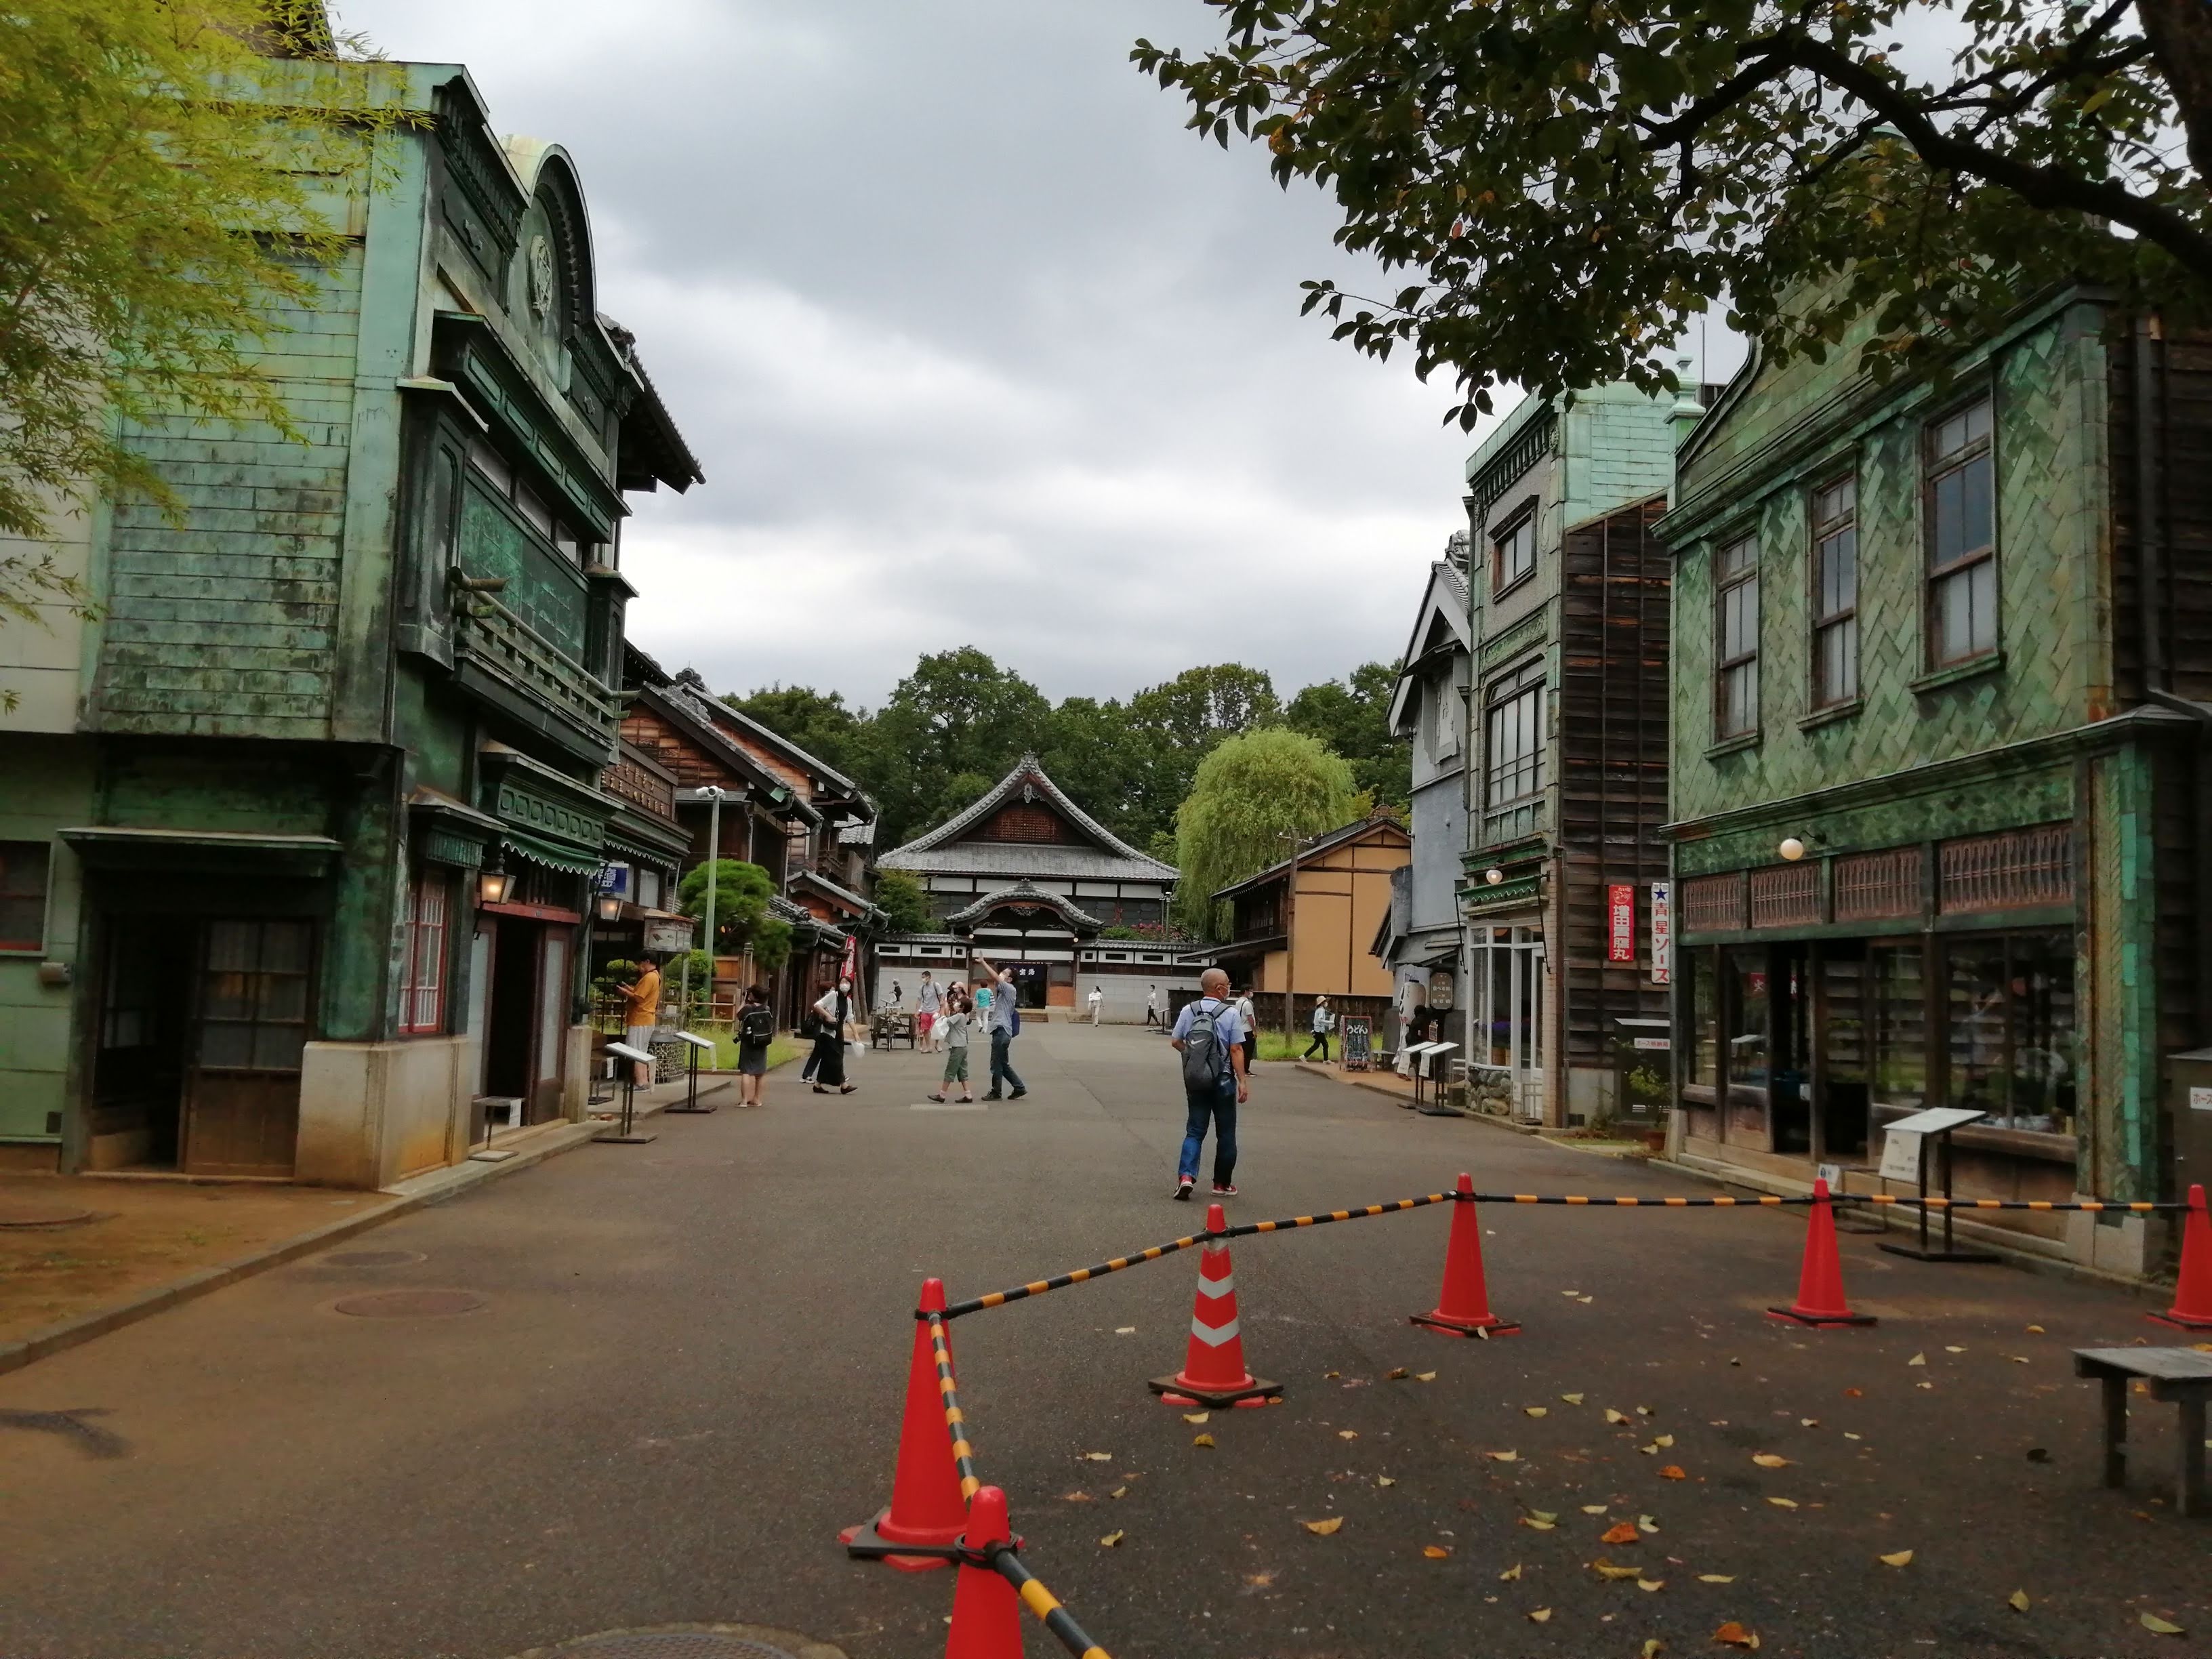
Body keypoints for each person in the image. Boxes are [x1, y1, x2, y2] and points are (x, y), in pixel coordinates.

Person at [1170, 967, 1248, 1200]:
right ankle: (1221, 1184)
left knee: (1194, 1130)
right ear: (1219, 988)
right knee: (1226, 1133)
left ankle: (1186, 1176)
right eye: (1228, 984)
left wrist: (1196, 1058)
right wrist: (1242, 1080)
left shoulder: (1188, 1010)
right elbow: (1236, 1048)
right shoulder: (1231, 1013)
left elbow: (1176, 1041)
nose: (1229, 987)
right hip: (1223, 1080)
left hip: (1197, 1080)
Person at [975, 956, 1027, 1100]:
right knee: (1003, 1063)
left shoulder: (1009, 988)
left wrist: (984, 963)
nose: (1001, 974)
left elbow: (995, 978)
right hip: (1004, 1031)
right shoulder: (1005, 992)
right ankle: (1019, 1087)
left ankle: (996, 1092)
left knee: (996, 1063)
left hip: (1001, 1030)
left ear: (1009, 979)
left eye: (1005, 973)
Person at [618, 956, 661, 1088]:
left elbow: (639, 998)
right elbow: (640, 993)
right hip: (647, 1018)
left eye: (640, 963)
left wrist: (624, 992)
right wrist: (629, 988)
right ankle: (644, 1080)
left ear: (647, 961)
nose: (639, 967)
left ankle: (640, 1082)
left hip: (640, 1019)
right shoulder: (655, 976)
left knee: (635, 1051)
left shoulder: (649, 978)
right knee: (642, 1051)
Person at [926, 987, 975, 1103]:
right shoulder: (962, 1016)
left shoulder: (959, 1016)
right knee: (962, 1071)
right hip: (962, 1046)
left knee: (950, 1071)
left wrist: (943, 1007)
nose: (956, 1004)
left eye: (959, 1003)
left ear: (962, 1007)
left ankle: (942, 1095)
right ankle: (968, 1095)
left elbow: (945, 1021)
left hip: (957, 1047)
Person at [810, 977, 857, 1095]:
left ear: (851, 986)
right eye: (842, 982)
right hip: (827, 1032)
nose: (844, 985)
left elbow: (850, 1018)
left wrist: (856, 1034)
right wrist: (828, 1016)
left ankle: (818, 1085)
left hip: (839, 1032)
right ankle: (844, 1085)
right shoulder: (833, 996)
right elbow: (817, 1005)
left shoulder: (848, 1001)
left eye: (847, 983)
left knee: (828, 1059)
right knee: (836, 1058)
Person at [735, 985, 774, 1107]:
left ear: (753, 995)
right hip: (762, 1041)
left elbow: (738, 1015)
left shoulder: (748, 1008)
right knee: (760, 1072)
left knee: (746, 1071)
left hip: (748, 1041)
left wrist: (744, 1001)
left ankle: (744, 1101)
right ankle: (757, 1099)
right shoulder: (766, 1008)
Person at [915, 970, 941, 1052]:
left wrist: (942, 1008)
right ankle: (928, 1047)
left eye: (924, 977)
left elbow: (941, 996)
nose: (923, 979)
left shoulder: (936, 985)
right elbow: (919, 1000)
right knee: (926, 1029)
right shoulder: (922, 988)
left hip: (935, 1010)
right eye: (922, 977)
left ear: (929, 977)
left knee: (935, 1029)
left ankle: (937, 1044)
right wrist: (917, 1011)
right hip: (925, 1010)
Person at [1235, 987, 1258, 1073]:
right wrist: (1254, 1030)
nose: (1251, 993)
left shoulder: (1238, 1002)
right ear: (1246, 991)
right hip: (1247, 1030)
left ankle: (1240, 1069)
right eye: (1250, 991)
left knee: (1241, 1052)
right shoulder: (1248, 1004)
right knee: (1248, 1052)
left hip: (1240, 1029)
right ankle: (1246, 1070)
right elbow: (1250, 1018)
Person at [1304, 994, 1333, 1062]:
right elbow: (1320, 1020)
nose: (1326, 1003)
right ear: (1322, 1003)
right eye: (1325, 1002)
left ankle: (1304, 1056)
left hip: (1318, 1030)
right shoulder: (1321, 1010)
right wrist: (1330, 1022)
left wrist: (1326, 1024)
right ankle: (1326, 1060)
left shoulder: (1319, 1010)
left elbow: (1317, 1021)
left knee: (1317, 1045)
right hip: (1319, 1031)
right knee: (1325, 1045)